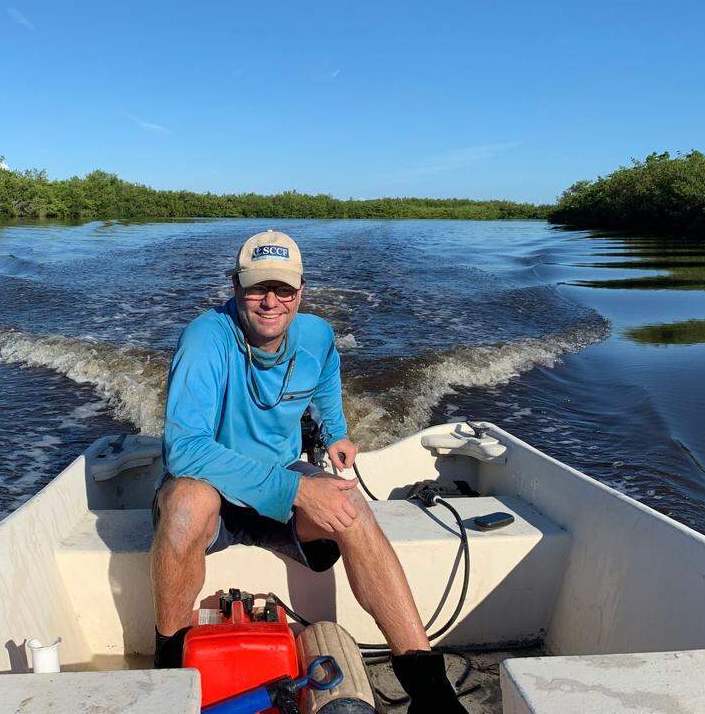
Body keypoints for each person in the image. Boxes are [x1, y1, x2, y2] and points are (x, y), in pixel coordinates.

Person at [150, 229, 467, 713]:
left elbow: (324, 383)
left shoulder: (317, 335)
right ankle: (169, 669)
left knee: (353, 509)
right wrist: (298, 489)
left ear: (301, 291)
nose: (270, 301)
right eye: (257, 288)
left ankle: (428, 687)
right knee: (186, 503)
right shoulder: (204, 339)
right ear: (234, 286)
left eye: (284, 289)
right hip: (211, 485)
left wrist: (336, 433)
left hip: (280, 481)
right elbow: (185, 450)